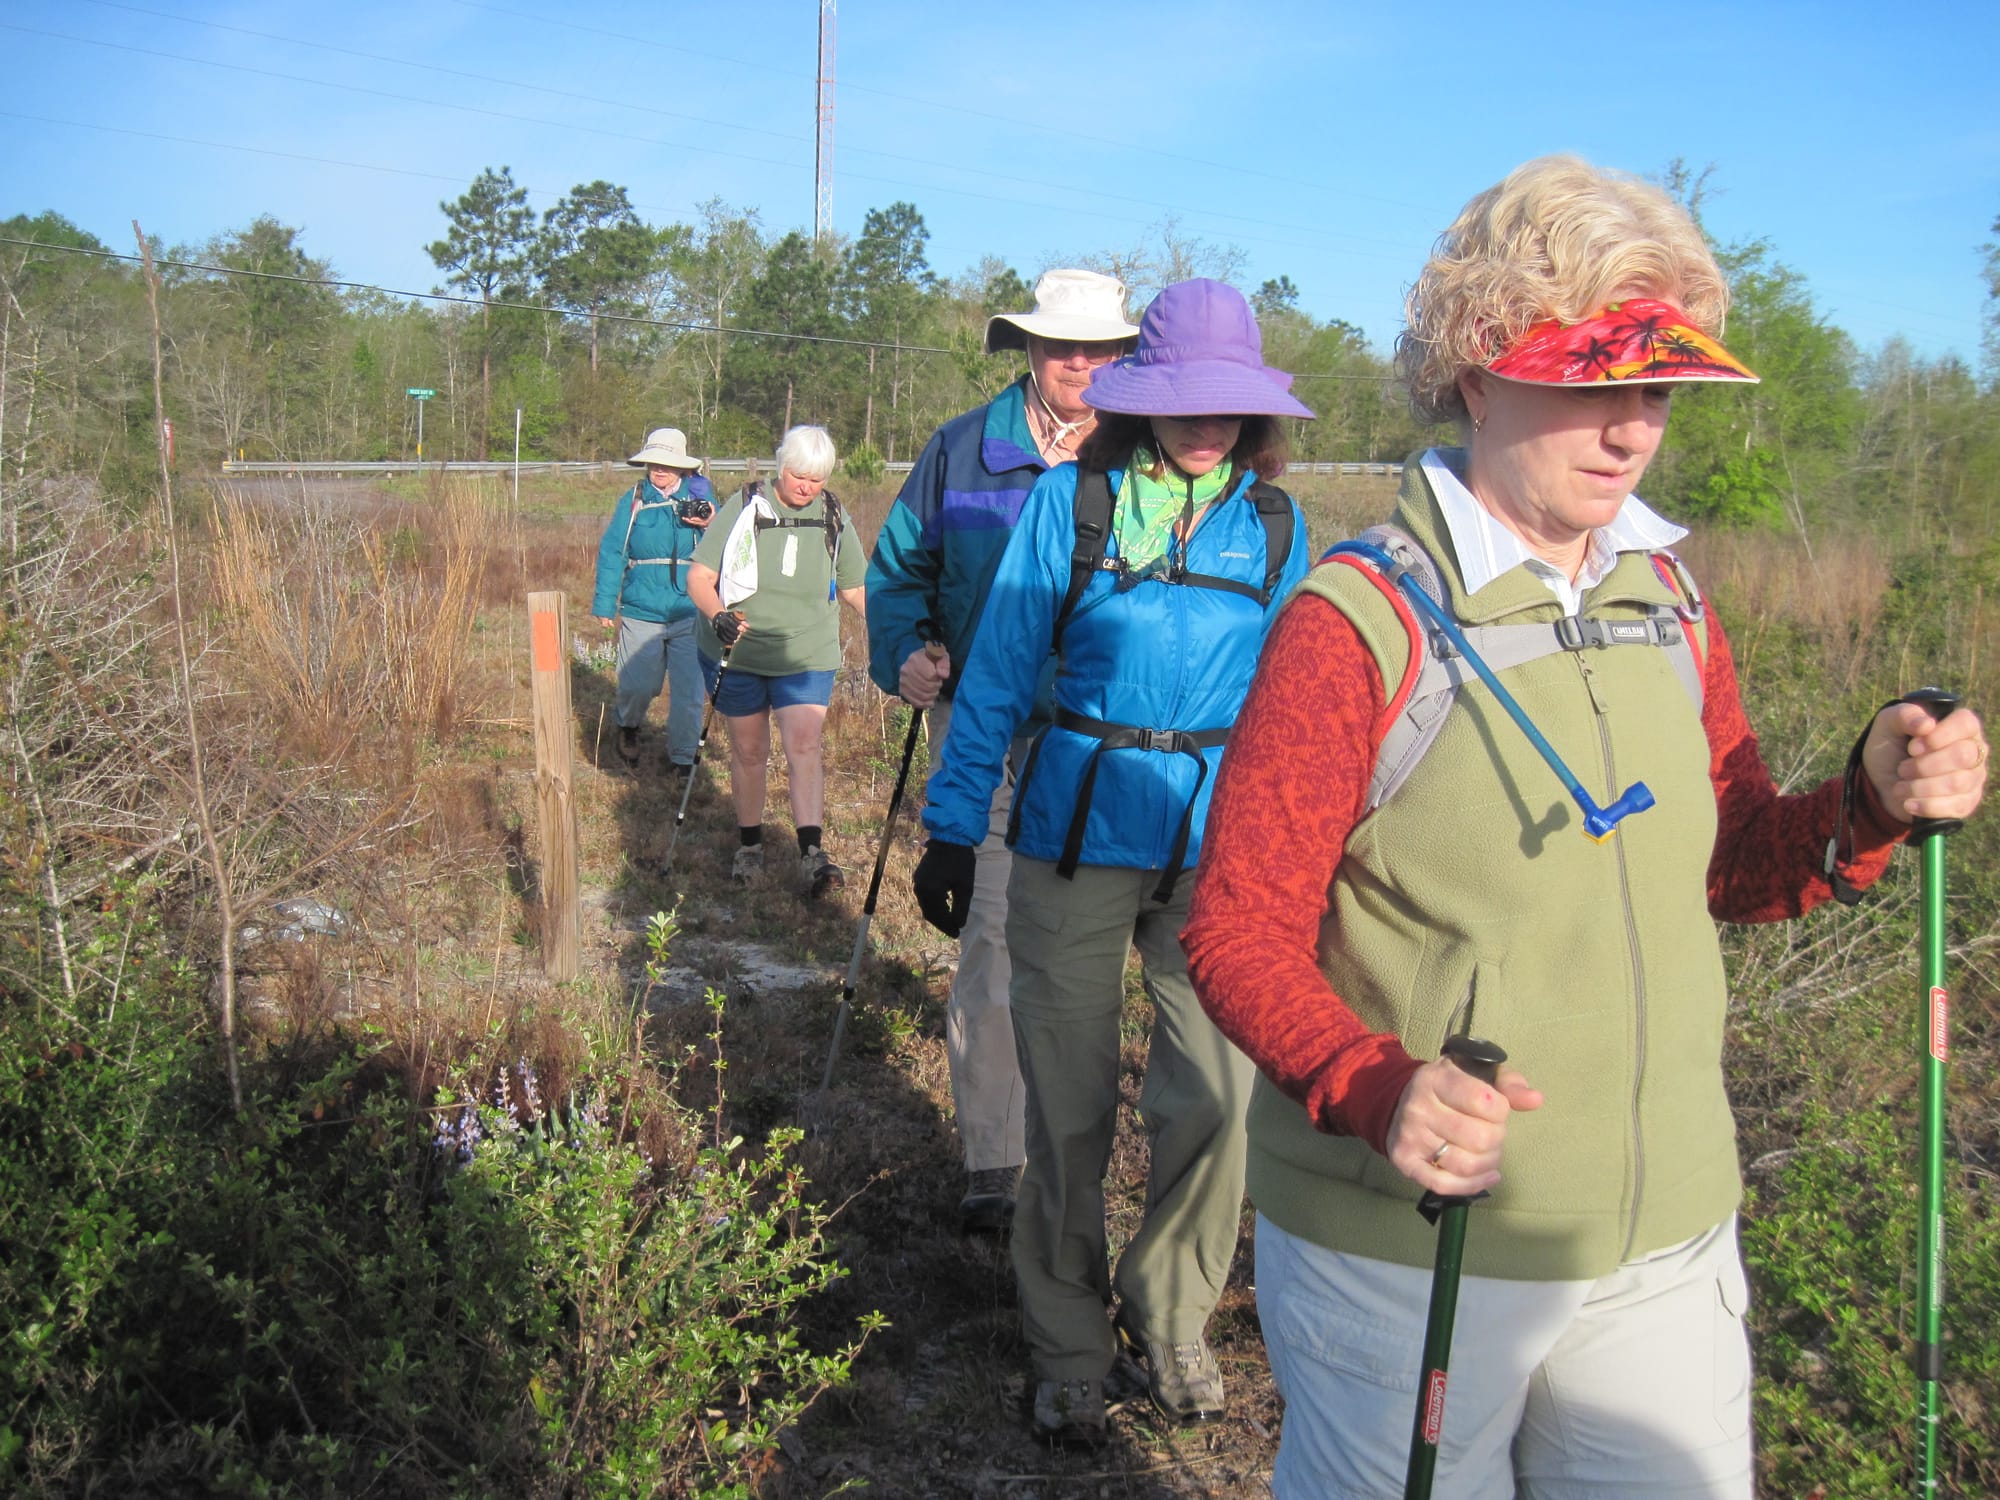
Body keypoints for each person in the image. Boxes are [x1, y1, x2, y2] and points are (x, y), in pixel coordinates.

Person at [1181, 154, 1992, 1499]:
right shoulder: (1353, 623)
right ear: (1476, 369)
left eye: (1656, 389)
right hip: (1411, 1255)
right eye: (1589, 383)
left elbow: (1732, 859)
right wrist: (1377, 1086)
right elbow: (1236, 929)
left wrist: (1868, 801)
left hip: (1665, 1240)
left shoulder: (1666, 601)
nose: (1630, 431)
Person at [910, 278, 1314, 1446]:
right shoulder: (1073, 503)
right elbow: (998, 668)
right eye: (1185, 402)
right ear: (1143, 402)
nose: (1207, 424)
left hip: (1213, 857)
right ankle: (1066, 1346)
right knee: (1070, 1108)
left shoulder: (1274, 528)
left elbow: (1297, 709)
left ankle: (1170, 1313)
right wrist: (952, 824)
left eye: (1227, 404)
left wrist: (1304, 851)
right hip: (1071, 838)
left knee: (1216, 1103)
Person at [866, 268, 1139, 1236]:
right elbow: (897, 571)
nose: (1079, 363)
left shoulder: (1144, 460)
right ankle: (995, 1160)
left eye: (1098, 347)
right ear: (1028, 348)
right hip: (974, 732)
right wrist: (904, 649)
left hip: (1093, 743)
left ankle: (1070, 1159)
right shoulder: (960, 451)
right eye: (1061, 345)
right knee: (988, 939)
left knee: (1072, 948)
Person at [687, 425, 866, 899]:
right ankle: (750, 845)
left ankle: (812, 852)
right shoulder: (745, 504)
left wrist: (897, 629)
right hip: (740, 651)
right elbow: (700, 576)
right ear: (780, 467)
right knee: (749, 750)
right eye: (798, 476)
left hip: (807, 651)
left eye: (817, 479)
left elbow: (854, 587)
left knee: (804, 745)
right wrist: (718, 615)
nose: (807, 487)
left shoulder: (832, 514)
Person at [590, 427, 715, 771]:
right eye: (654, 462)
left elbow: (724, 548)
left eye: (667, 463)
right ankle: (628, 726)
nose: (659, 469)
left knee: (689, 691)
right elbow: (613, 550)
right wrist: (604, 603)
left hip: (689, 610)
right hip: (641, 609)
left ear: (682, 467)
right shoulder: (634, 499)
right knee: (638, 684)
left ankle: (683, 758)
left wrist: (709, 522)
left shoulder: (702, 497)